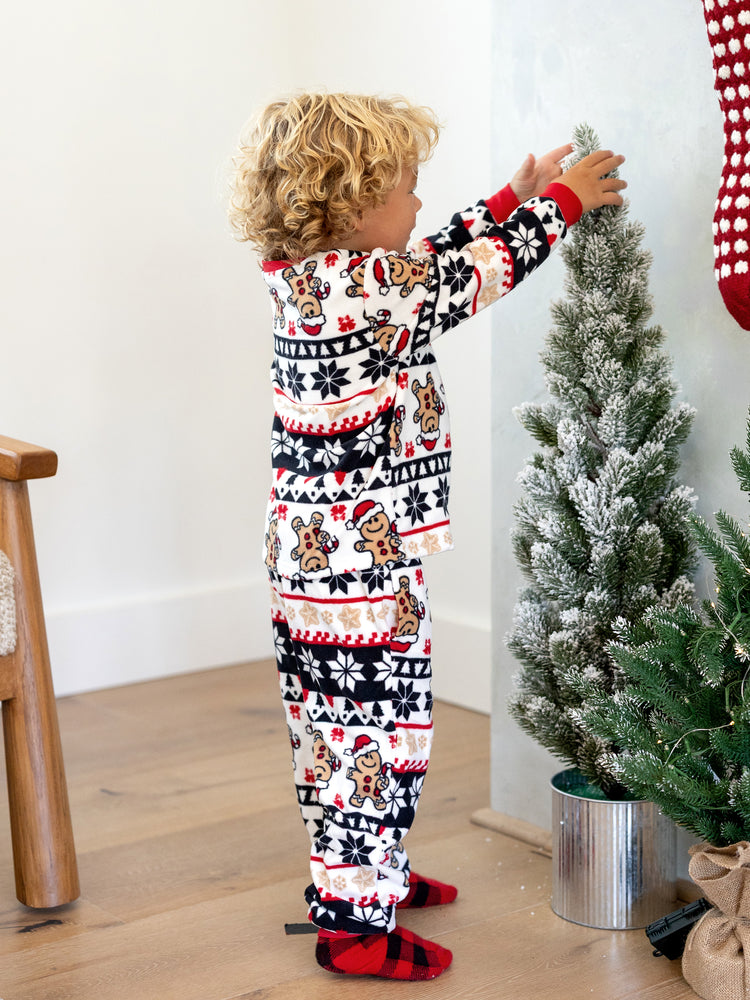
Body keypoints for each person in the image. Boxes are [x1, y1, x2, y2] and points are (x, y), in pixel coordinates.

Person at [228, 92, 626, 981]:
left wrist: (505, 197)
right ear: (349, 200)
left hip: (315, 556)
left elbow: (424, 261)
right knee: (380, 735)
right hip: (358, 568)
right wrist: (559, 203)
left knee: (334, 733)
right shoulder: (370, 288)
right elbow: (468, 275)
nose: (417, 208)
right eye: (407, 190)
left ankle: (367, 879)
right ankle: (352, 927)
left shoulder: (314, 273)